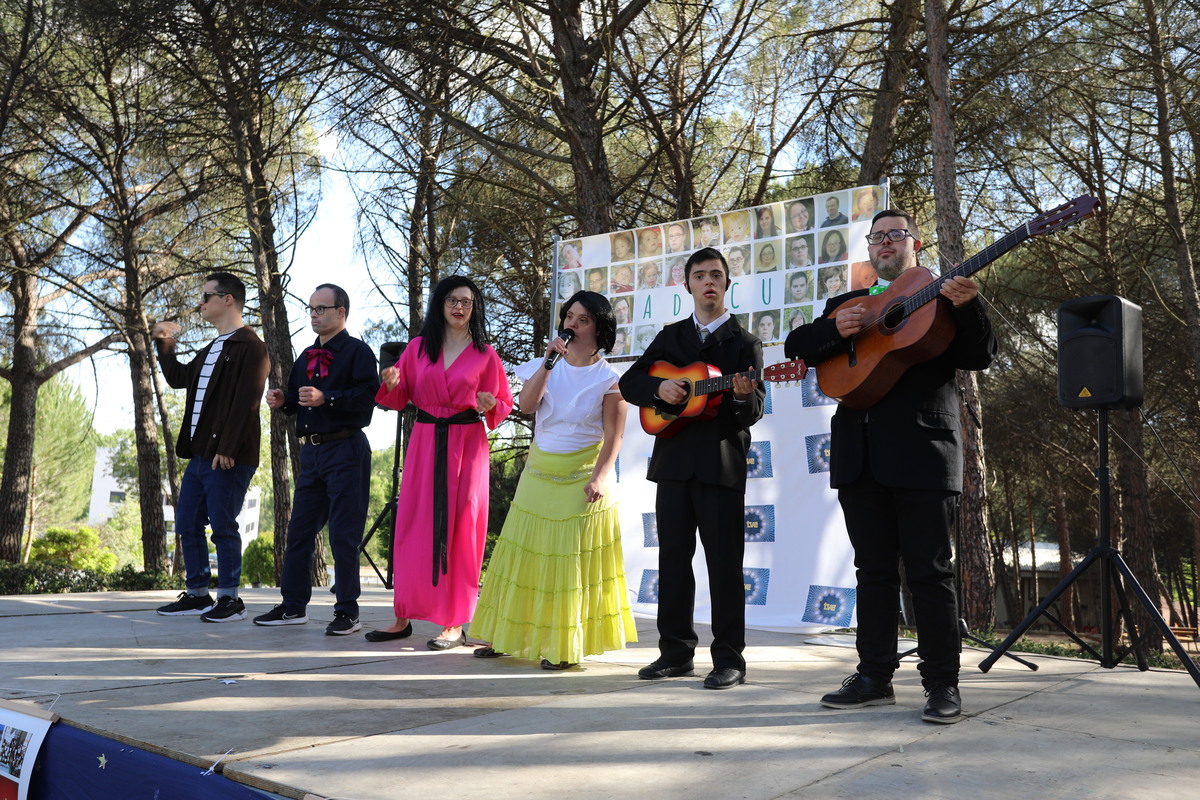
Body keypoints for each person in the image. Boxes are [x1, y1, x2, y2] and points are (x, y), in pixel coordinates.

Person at [784, 209, 996, 724]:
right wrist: (835, 328)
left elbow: (981, 354)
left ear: (914, 245)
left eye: (894, 235)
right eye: (877, 237)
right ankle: (874, 677)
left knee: (929, 572)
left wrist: (971, 309)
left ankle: (942, 683)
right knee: (873, 572)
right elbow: (799, 347)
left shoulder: (945, 295)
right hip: (859, 455)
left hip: (924, 450)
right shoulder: (847, 302)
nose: (884, 243)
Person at [619, 247, 764, 690]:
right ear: (688, 285)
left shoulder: (745, 343)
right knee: (673, 563)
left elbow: (753, 409)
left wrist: (740, 395)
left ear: (726, 284)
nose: (708, 282)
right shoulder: (671, 337)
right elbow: (631, 383)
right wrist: (660, 387)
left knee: (724, 566)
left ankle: (730, 659)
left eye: (716, 275)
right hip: (674, 465)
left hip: (720, 467)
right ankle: (675, 653)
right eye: (700, 275)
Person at [472, 291, 637, 669]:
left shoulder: (610, 379)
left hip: (581, 479)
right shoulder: (544, 364)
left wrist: (599, 478)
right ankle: (504, 637)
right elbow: (527, 407)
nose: (572, 326)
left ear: (599, 327)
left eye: (582, 320)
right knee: (521, 558)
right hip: (538, 474)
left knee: (566, 566)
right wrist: (548, 364)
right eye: (569, 318)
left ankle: (564, 648)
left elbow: (614, 438)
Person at [367, 277, 514, 649]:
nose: (459, 307)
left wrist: (489, 404)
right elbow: (397, 397)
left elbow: (504, 403)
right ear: (440, 305)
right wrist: (391, 380)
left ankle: (454, 622)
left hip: (467, 445)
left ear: (474, 307)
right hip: (427, 440)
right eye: (452, 300)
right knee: (413, 523)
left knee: (463, 527)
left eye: (466, 301)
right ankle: (403, 617)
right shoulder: (417, 348)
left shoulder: (485, 353)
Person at [253, 284, 380, 635]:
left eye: (322, 308)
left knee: (343, 534)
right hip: (311, 453)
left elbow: (368, 399)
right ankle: (293, 607)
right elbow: (298, 398)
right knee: (299, 532)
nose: (314, 314)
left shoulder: (357, 352)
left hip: (346, 450)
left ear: (342, 312)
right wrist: (284, 400)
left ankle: (347, 611)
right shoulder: (306, 356)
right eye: (311, 308)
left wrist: (329, 398)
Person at [153, 273, 269, 622]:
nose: (200, 304)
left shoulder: (251, 346)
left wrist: (228, 447)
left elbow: (247, 402)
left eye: (206, 297)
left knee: (222, 525)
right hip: (202, 455)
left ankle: (231, 599)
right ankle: (198, 594)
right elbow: (178, 379)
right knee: (187, 522)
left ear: (228, 299)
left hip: (230, 455)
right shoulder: (212, 348)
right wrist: (163, 342)